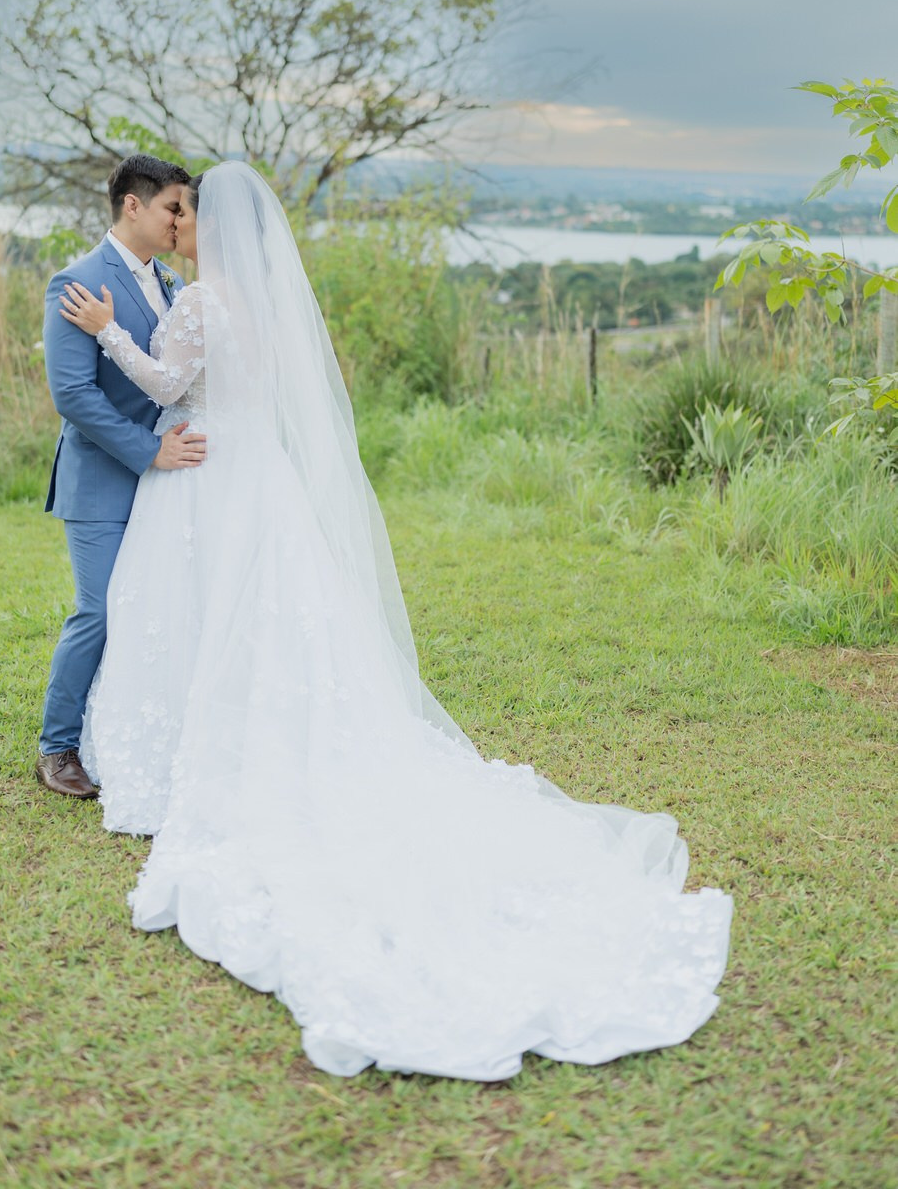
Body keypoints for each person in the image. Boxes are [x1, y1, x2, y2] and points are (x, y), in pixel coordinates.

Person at [58, 161, 733, 1081]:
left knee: (204, 615)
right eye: (169, 208)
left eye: (185, 211)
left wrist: (107, 335)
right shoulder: (252, 306)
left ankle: (186, 744)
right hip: (261, 479)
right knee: (260, 619)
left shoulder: (201, 303)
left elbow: (169, 380)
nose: (176, 222)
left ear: (203, 225)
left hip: (208, 473)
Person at [36, 154, 206, 800]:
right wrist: (149, 451)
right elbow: (73, 394)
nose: (178, 221)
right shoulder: (76, 282)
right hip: (104, 480)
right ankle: (57, 746)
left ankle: (120, 733)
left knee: (151, 612)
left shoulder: (167, 280)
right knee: (101, 611)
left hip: (166, 486)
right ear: (132, 205)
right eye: (171, 207)